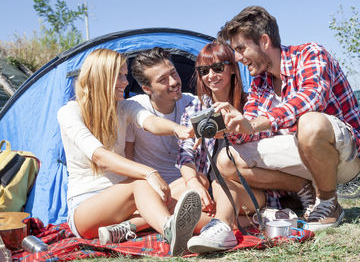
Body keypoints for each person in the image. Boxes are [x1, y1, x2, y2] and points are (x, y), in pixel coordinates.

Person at [214, 6, 360, 232]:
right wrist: (230, 127)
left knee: (310, 122)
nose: (238, 58)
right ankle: (303, 189)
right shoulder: (260, 82)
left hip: (343, 157)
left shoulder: (311, 53)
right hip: (302, 155)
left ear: (264, 41)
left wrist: (253, 124)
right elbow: (252, 126)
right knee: (226, 159)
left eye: (241, 49)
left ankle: (329, 201)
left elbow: (312, 98)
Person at [57, 48, 201, 256]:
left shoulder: (124, 107)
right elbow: (99, 156)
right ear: (102, 77)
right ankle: (171, 231)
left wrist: (177, 129)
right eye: (119, 76)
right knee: (142, 182)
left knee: (184, 187)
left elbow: (149, 121)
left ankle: (127, 228)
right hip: (86, 208)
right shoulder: (70, 112)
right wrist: (149, 173)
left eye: (125, 75)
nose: (125, 82)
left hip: (126, 207)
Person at [177, 42, 266, 253]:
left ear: (233, 68)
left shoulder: (251, 103)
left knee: (221, 180)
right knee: (177, 190)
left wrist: (229, 129)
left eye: (218, 68)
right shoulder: (196, 107)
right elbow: (185, 153)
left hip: (251, 189)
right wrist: (194, 184)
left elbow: (264, 141)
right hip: (210, 189)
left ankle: (222, 226)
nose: (211, 75)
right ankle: (236, 223)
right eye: (204, 70)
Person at [125, 47, 211, 231]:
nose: (173, 82)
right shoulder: (135, 108)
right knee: (205, 207)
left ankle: (133, 225)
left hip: (184, 187)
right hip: (150, 190)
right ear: (147, 88)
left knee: (201, 181)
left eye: (173, 73)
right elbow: (128, 158)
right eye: (163, 80)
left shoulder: (192, 103)